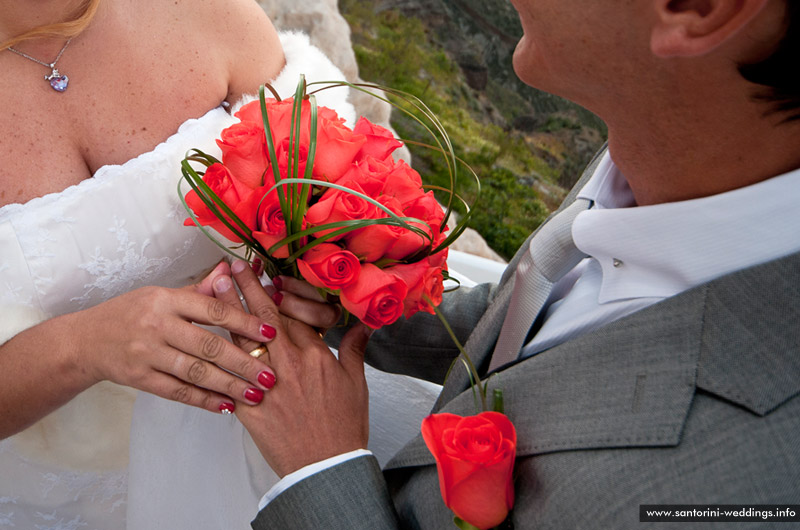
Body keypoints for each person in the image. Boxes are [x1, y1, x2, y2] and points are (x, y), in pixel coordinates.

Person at [226, 0, 800, 528]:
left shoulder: (744, 491)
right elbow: (545, 320)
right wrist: (346, 292)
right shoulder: (669, 146)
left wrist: (322, 471)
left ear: (698, 8)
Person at [2, 1, 429, 528]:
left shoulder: (203, 11)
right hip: (62, 496)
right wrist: (83, 346)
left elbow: (338, 190)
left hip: (289, 438)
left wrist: (321, 281)